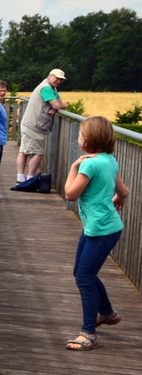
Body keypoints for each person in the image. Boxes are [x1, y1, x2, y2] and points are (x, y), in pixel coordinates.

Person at [62, 116, 129, 350]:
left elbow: (71, 194)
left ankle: (88, 333)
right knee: (82, 273)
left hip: (100, 230)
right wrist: (118, 198)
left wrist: (73, 167)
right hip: (105, 228)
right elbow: (124, 191)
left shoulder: (89, 164)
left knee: (84, 277)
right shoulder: (110, 160)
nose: (78, 138)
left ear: (88, 139)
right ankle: (108, 314)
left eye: (80, 135)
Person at [15, 69, 66, 184]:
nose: (58, 81)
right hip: (35, 125)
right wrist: (60, 106)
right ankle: (30, 179)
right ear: (50, 76)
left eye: (61, 80)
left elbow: (58, 103)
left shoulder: (51, 88)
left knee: (24, 150)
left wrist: (57, 107)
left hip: (31, 123)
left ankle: (21, 178)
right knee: (38, 152)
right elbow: (58, 104)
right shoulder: (46, 88)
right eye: (56, 78)